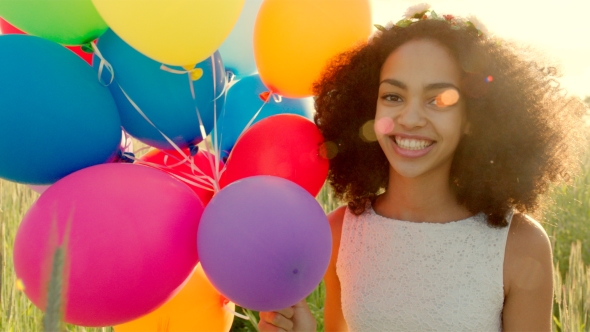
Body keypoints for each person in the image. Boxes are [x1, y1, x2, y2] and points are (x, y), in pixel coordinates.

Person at [258, 4, 587, 331]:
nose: (411, 118)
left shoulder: (519, 244)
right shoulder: (340, 233)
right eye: (393, 97)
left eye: (439, 100)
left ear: (472, 119)